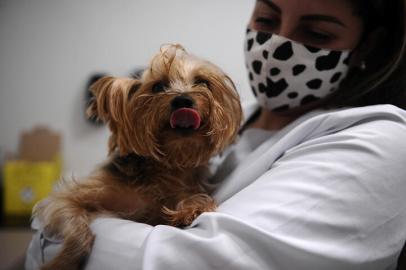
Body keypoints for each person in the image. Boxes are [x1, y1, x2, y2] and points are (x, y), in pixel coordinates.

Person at [26, 0, 406, 269]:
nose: (278, 45)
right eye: (267, 20)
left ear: (368, 47)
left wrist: (60, 239)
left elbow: (198, 263)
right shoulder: (231, 140)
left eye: (316, 32)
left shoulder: (380, 140)